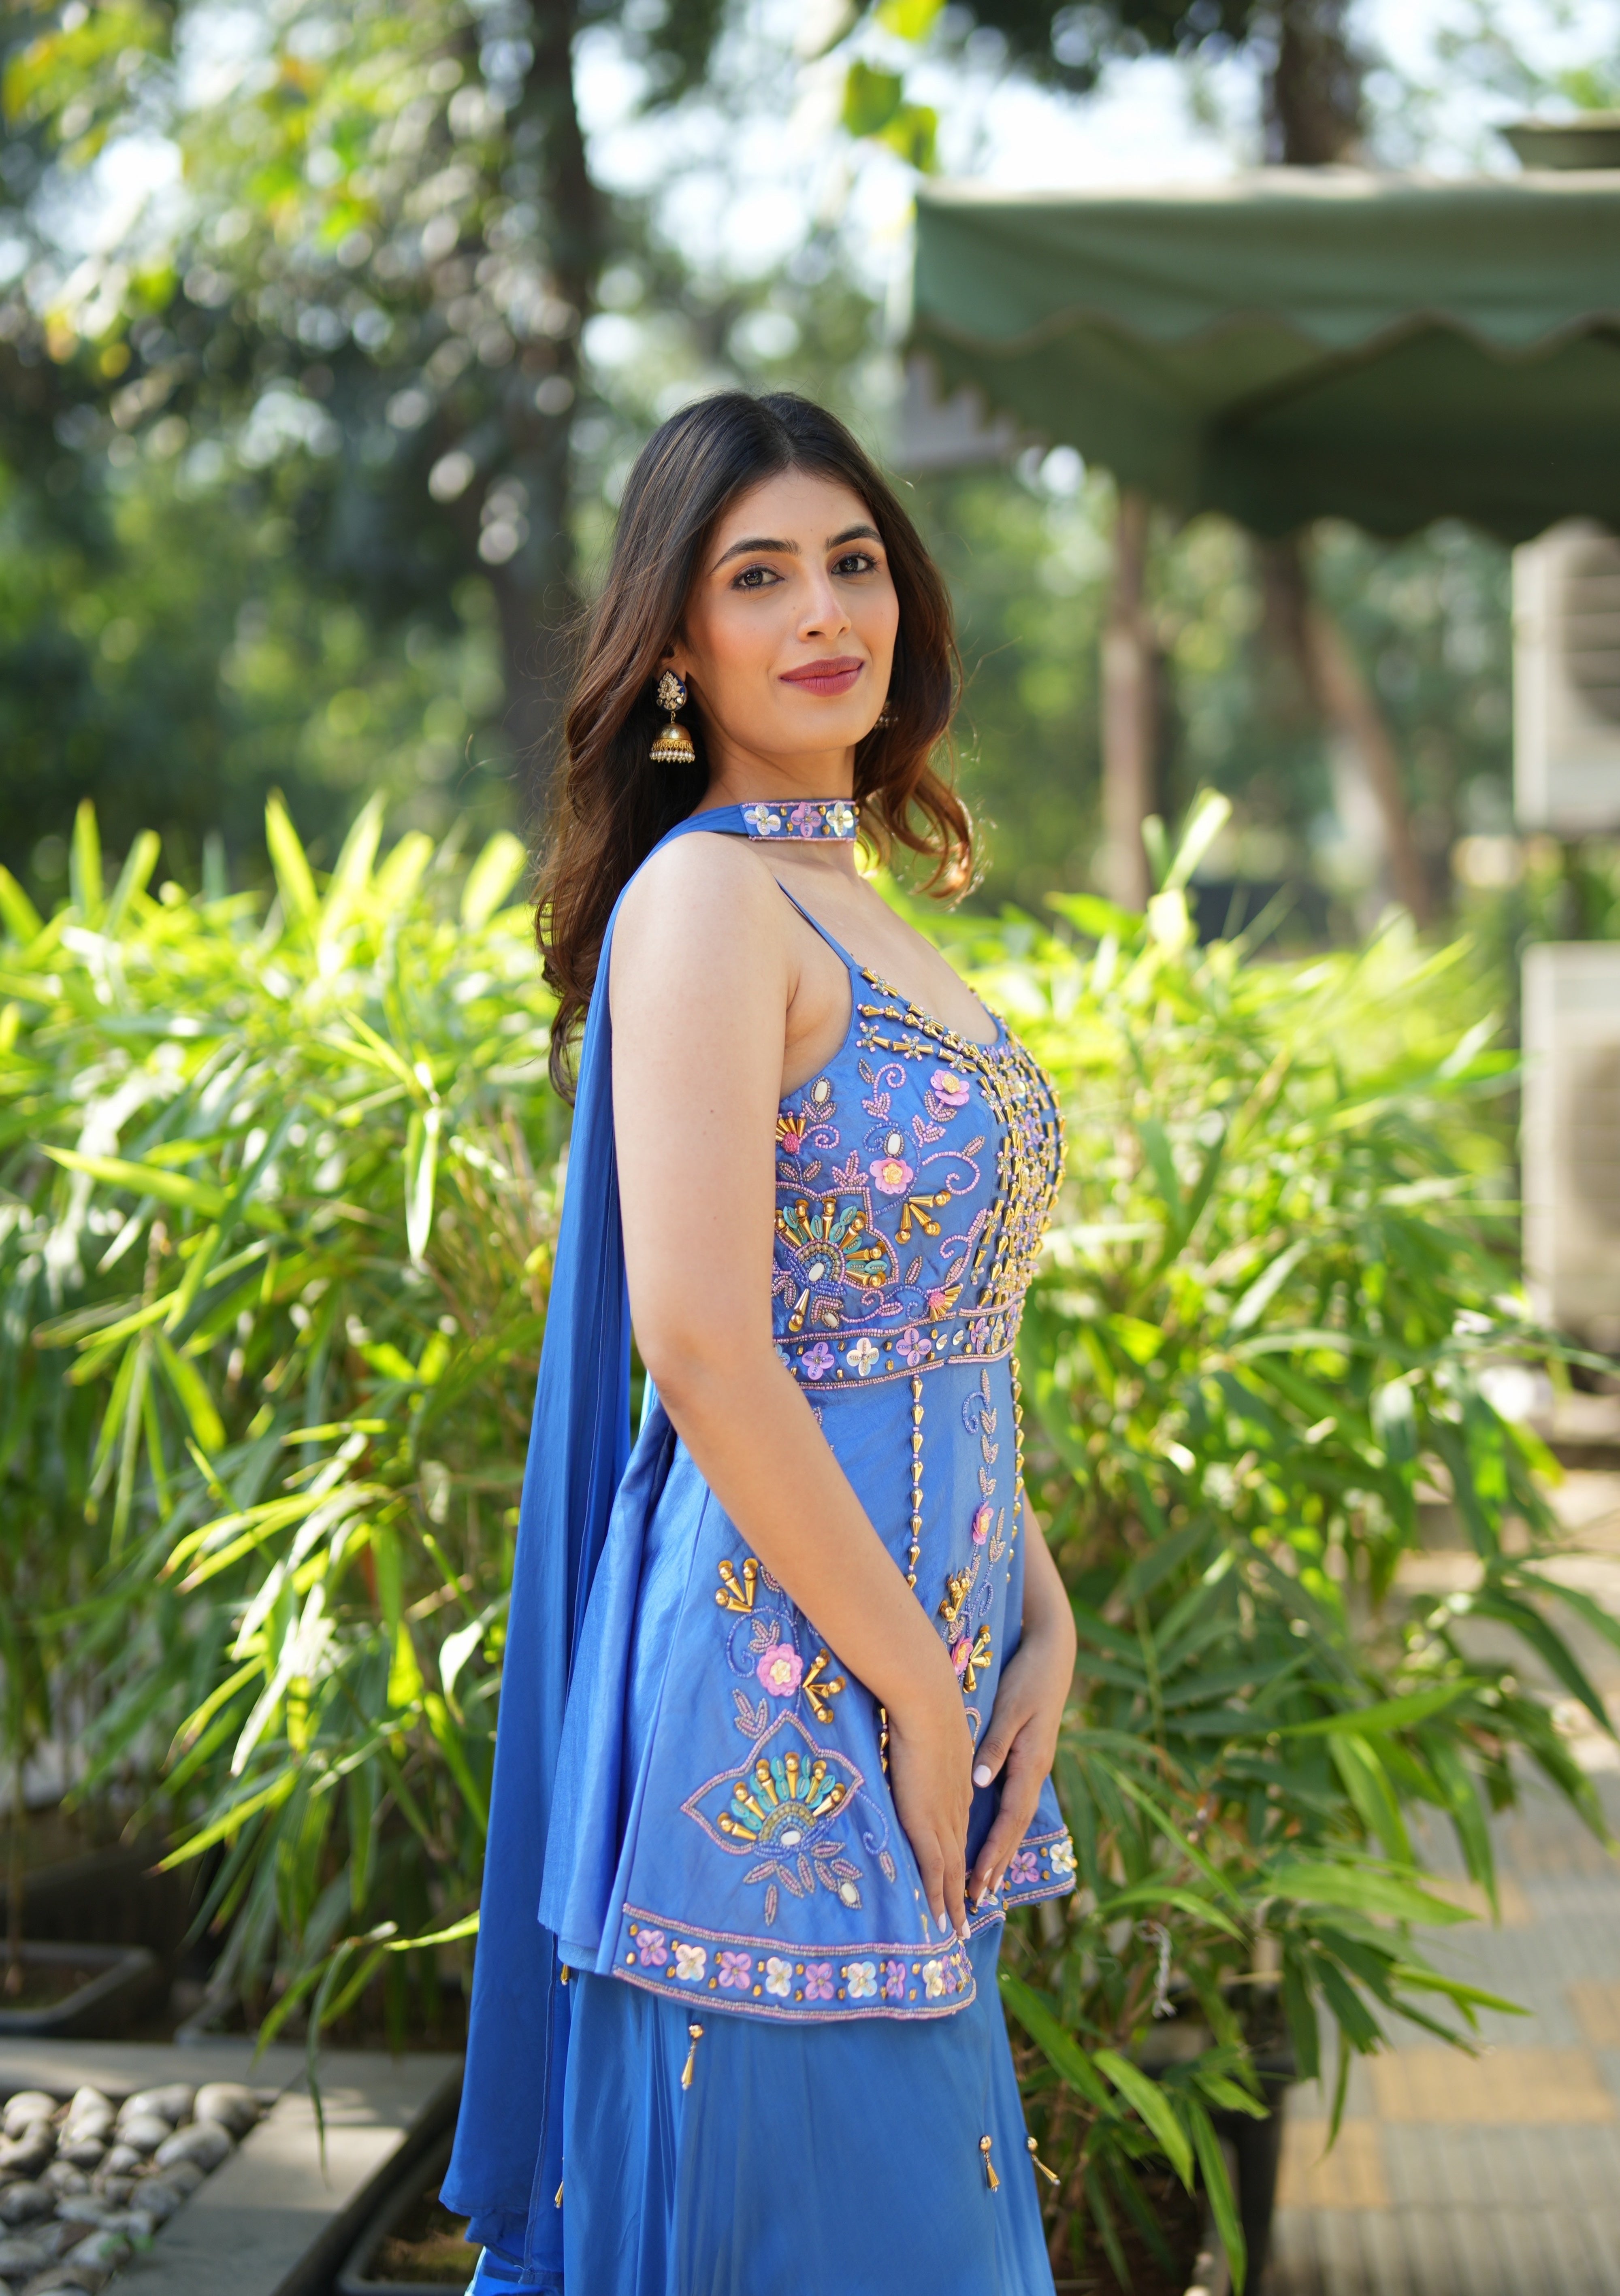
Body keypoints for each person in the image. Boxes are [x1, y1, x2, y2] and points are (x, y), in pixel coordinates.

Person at [441, 390, 1077, 2296]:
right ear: (676, 641)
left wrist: (1038, 1615)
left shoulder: (847, 897)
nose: (827, 611)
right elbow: (710, 1343)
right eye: (759, 574)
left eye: (856, 560)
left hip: (915, 1677)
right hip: (781, 1706)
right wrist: (917, 1685)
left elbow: (938, 1325)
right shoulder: (711, 899)